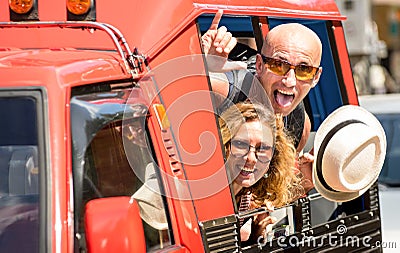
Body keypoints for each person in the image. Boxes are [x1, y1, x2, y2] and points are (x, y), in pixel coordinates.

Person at [202, 10, 320, 190]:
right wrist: (202, 67)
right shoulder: (230, 89)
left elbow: (272, 187)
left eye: (304, 70)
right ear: (259, 65)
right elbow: (161, 91)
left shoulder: (299, 127)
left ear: (316, 77)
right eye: (278, 65)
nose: (289, 81)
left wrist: (303, 184)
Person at [218, 101, 303, 243]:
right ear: (224, 144)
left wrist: (255, 237)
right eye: (240, 144)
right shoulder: (207, 198)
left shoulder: (248, 197)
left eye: (262, 148)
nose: (251, 158)